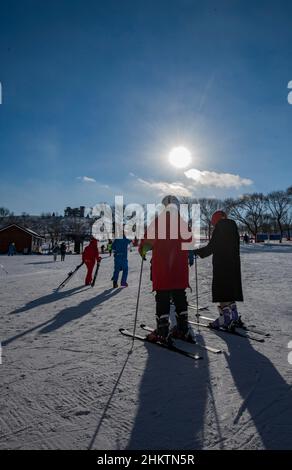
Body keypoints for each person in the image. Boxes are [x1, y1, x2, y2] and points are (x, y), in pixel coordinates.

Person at [139, 195, 193, 344]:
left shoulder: (158, 222)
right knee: (179, 295)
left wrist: (143, 250)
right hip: (179, 269)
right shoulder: (182, 224)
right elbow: (189, 242)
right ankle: (183, 329)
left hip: (163, 269)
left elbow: (147, 242)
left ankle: (162, 331)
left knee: (163, 296)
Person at [193, 210, 243, 329]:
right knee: (230, 289)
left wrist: (197, 252)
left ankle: (225, 319)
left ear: (215, 220)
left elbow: (212, 247)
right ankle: (234, 316)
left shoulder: (220, 228)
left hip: (222, 264)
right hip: (234, 264)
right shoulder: (233, 228)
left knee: (222, 291)